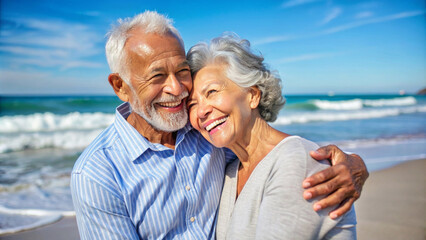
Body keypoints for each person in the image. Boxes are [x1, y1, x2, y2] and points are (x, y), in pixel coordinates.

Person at [71, 11, 368, 239]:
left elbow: (281, 153)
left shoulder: (212, 140)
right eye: (157, 76)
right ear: (121, 86)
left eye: (182, 71)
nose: (177, 90)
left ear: (253, 94)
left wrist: (353, 164)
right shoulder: (97, 174)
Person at [186, 34, 357, 239]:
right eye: (192, 104)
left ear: (252, 95)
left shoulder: (296, 161)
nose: (201, 111)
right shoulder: (230, 170)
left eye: (212, 91)